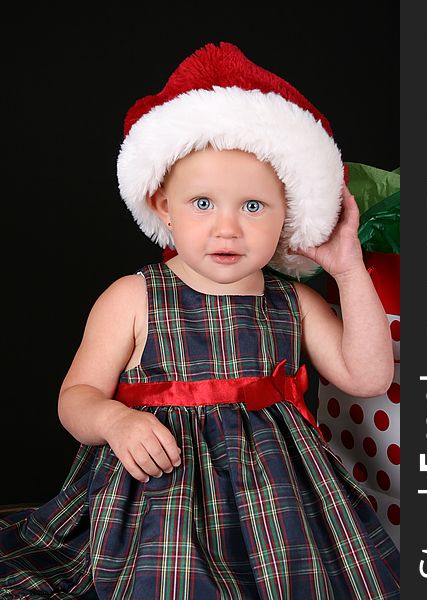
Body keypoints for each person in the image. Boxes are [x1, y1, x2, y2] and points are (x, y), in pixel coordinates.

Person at [0, 42, 399, 599]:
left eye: (254, 206)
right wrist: (115, 421)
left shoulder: (293, 303)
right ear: (163, 205)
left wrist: (349, 268)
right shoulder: (134, 297)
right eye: (203, 203)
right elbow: (76, 396)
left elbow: (368, 376)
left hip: (277, 513)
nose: (227, 229)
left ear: (292, 214)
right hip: (158, 504)